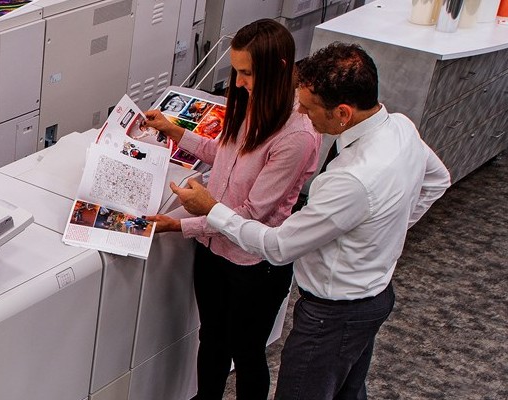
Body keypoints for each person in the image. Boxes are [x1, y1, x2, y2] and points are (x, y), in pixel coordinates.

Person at [168, 42, 451, 399]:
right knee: (348, 390)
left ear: (343, 113)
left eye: (310, 106)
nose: (301, 110)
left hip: (332, 315)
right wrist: (384, 231)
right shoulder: (401, 128)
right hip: (374, 294)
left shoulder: (350, 179)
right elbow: (438, 179)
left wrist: (211, 209)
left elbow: (278, 245)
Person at [143, 19, 320, 400]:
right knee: (212, 341)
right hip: (211, 250)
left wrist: (180, 224)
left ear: (280, 68)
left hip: (253, 265)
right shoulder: (250, 104)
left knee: (246, 353)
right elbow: (221, 153)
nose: (238, 83)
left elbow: (251, 212)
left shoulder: (298, 135)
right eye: (237, 71)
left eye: (246, 73)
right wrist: (175, 132)